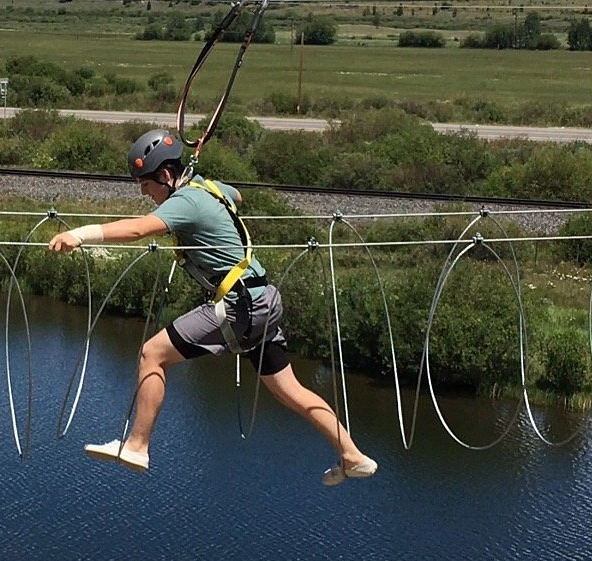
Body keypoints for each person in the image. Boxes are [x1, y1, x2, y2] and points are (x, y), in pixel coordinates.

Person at [47, 128, 377, 486]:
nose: (144, 192)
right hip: (263, 300)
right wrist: (198, 180)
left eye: (146, 184)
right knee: (289, 390)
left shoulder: (186, 202)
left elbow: (138, 230)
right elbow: (237, 195)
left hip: (238, 307)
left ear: (166, 175)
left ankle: (137, 446)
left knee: (151, 354)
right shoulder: (209, 189)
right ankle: (352, 455)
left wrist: (79, 235)